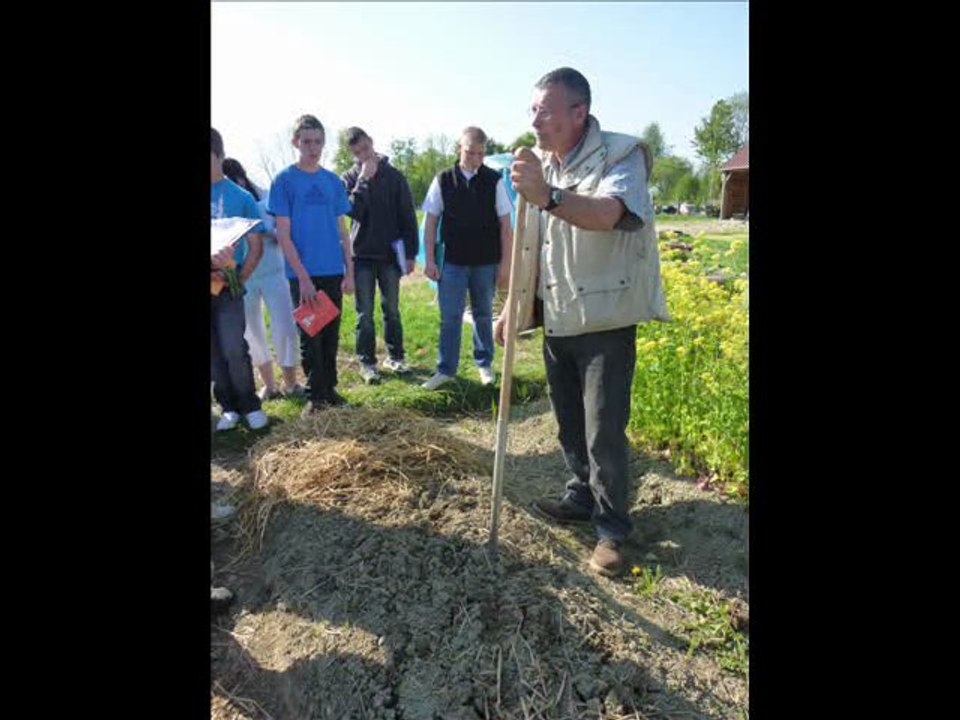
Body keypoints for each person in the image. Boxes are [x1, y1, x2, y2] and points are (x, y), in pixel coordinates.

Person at [501, 68, 669, 577]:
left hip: (605, 319)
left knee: (603, 431)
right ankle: (581, 495)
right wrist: (513, 305)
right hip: (560, 317)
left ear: (579, 112)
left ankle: (614, 529)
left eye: (545, 110)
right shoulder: (540, 165)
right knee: (570, 422)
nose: (535, 119)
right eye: (532, 109)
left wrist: (549, 195)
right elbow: (533, 244)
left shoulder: (621, 155)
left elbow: (610, 213)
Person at [268, 114, 355, 413]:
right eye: (306, 141)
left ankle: (329, 390)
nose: (312, 147)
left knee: (331, 332)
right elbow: (283, 233)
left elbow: (343, 231)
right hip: (303, 274)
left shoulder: (332, 182)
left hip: (332, 270)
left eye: (318, 141)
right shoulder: (284, 181)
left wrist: (350, 272)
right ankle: (314, 398)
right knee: (311, 335)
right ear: (296, 142)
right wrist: (303, 278)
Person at [421, 127, 513, 390]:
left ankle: (485, 365)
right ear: (459, 149)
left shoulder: (494, 181)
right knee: (450, 317)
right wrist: (429, 259)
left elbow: (507, 226)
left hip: (486, 262)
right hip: (451, 262)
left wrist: (506, 265)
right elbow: (430, 221)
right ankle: (446, 370)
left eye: (481, 154)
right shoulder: (443, 180)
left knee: (484, 315)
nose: (475, 159)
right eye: (470, 152)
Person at [340, 127, 419, 384]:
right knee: (364, 314)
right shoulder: (349, 177)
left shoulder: (395, 176)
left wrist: (411, 253)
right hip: (361, 256)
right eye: (357, 152)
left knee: (392, 309)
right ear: (352, 153)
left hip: (389, 255)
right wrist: (363, 180)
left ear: (371, 142)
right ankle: (367, 363)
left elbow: (408, 215)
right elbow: (352, 211)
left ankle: (396, 357)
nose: (363, 154)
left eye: (365, 148)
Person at [222, 158, 303, 400]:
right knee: (252, 331)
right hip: (244, 276)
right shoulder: (224, 207)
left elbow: (284, 232)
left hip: (274, 273)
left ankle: (291, 382)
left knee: (285, 327)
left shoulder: (266, 198)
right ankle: (269, 385)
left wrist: (267, 230)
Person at [211, 129, 269, 431]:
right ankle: (228, 407)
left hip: (230, 283)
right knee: (214, 351)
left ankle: (249, 404)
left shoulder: (240, 197)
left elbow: (257, 246)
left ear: (220, 156)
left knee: (234, 346)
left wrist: (239, 277)